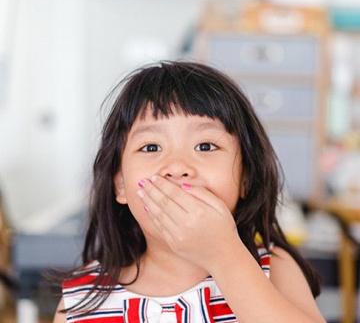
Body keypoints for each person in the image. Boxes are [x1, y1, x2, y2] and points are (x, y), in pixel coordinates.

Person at [53, 61, 326, 323]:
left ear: (245, 178)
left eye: (205, 146)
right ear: (120, 184)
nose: (177, 167)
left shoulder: (273, 268)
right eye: (151, 147)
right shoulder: (81, 300)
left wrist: (223, 254)